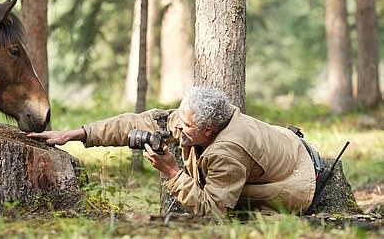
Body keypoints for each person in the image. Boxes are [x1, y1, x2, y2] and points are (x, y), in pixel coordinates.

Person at [27, 86, 319, 217]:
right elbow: (134, 123)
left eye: (185, 126)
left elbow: (213, 212)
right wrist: (76, 133)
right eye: (177, 117)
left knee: (235, 205)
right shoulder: (191, 120)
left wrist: (173, 172)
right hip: (284, 148)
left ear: (208, 130)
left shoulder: (226, 152)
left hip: (296, 181)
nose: (175, 127)